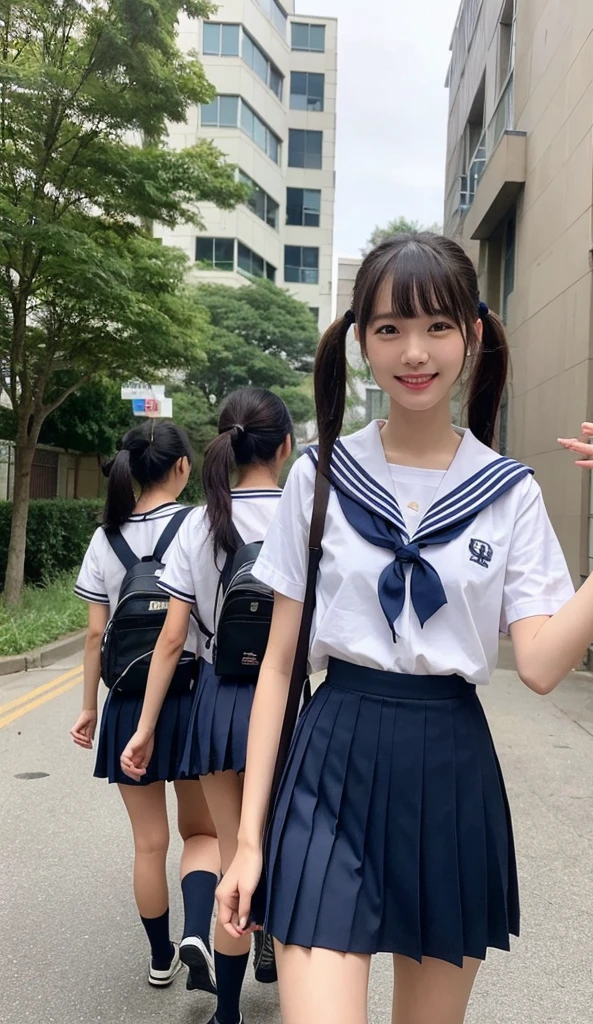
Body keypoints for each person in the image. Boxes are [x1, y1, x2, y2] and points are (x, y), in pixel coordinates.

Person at [215, 233, 593, 1024]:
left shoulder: (507, 492)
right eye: (388, 329)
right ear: (361, 341)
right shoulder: (319, 478)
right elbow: (278, 667)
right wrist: (248, 840)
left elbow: (545, 662)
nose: (413, 352)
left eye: (437, 328)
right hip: (329, 765)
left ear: (473, 334)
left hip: (449, 772)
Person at [120, 387, 293, 1024]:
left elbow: (172, 638)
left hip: (218, 704)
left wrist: (142, 730)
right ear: (285, 447)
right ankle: (278, 942)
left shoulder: (199, 522)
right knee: (282, 847)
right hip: (289, 707)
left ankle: (227, 1011)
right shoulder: (304, 517)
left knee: (229, 848)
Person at [69, 421, 221, 992]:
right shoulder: (201, 525)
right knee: (201, 834)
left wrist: (89, 707)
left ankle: (160, 958)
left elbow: (93, 635)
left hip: (128, 704)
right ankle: (198, 933)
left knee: (148, 842)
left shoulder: (106, 536)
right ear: (183, 467)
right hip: (188, 696)